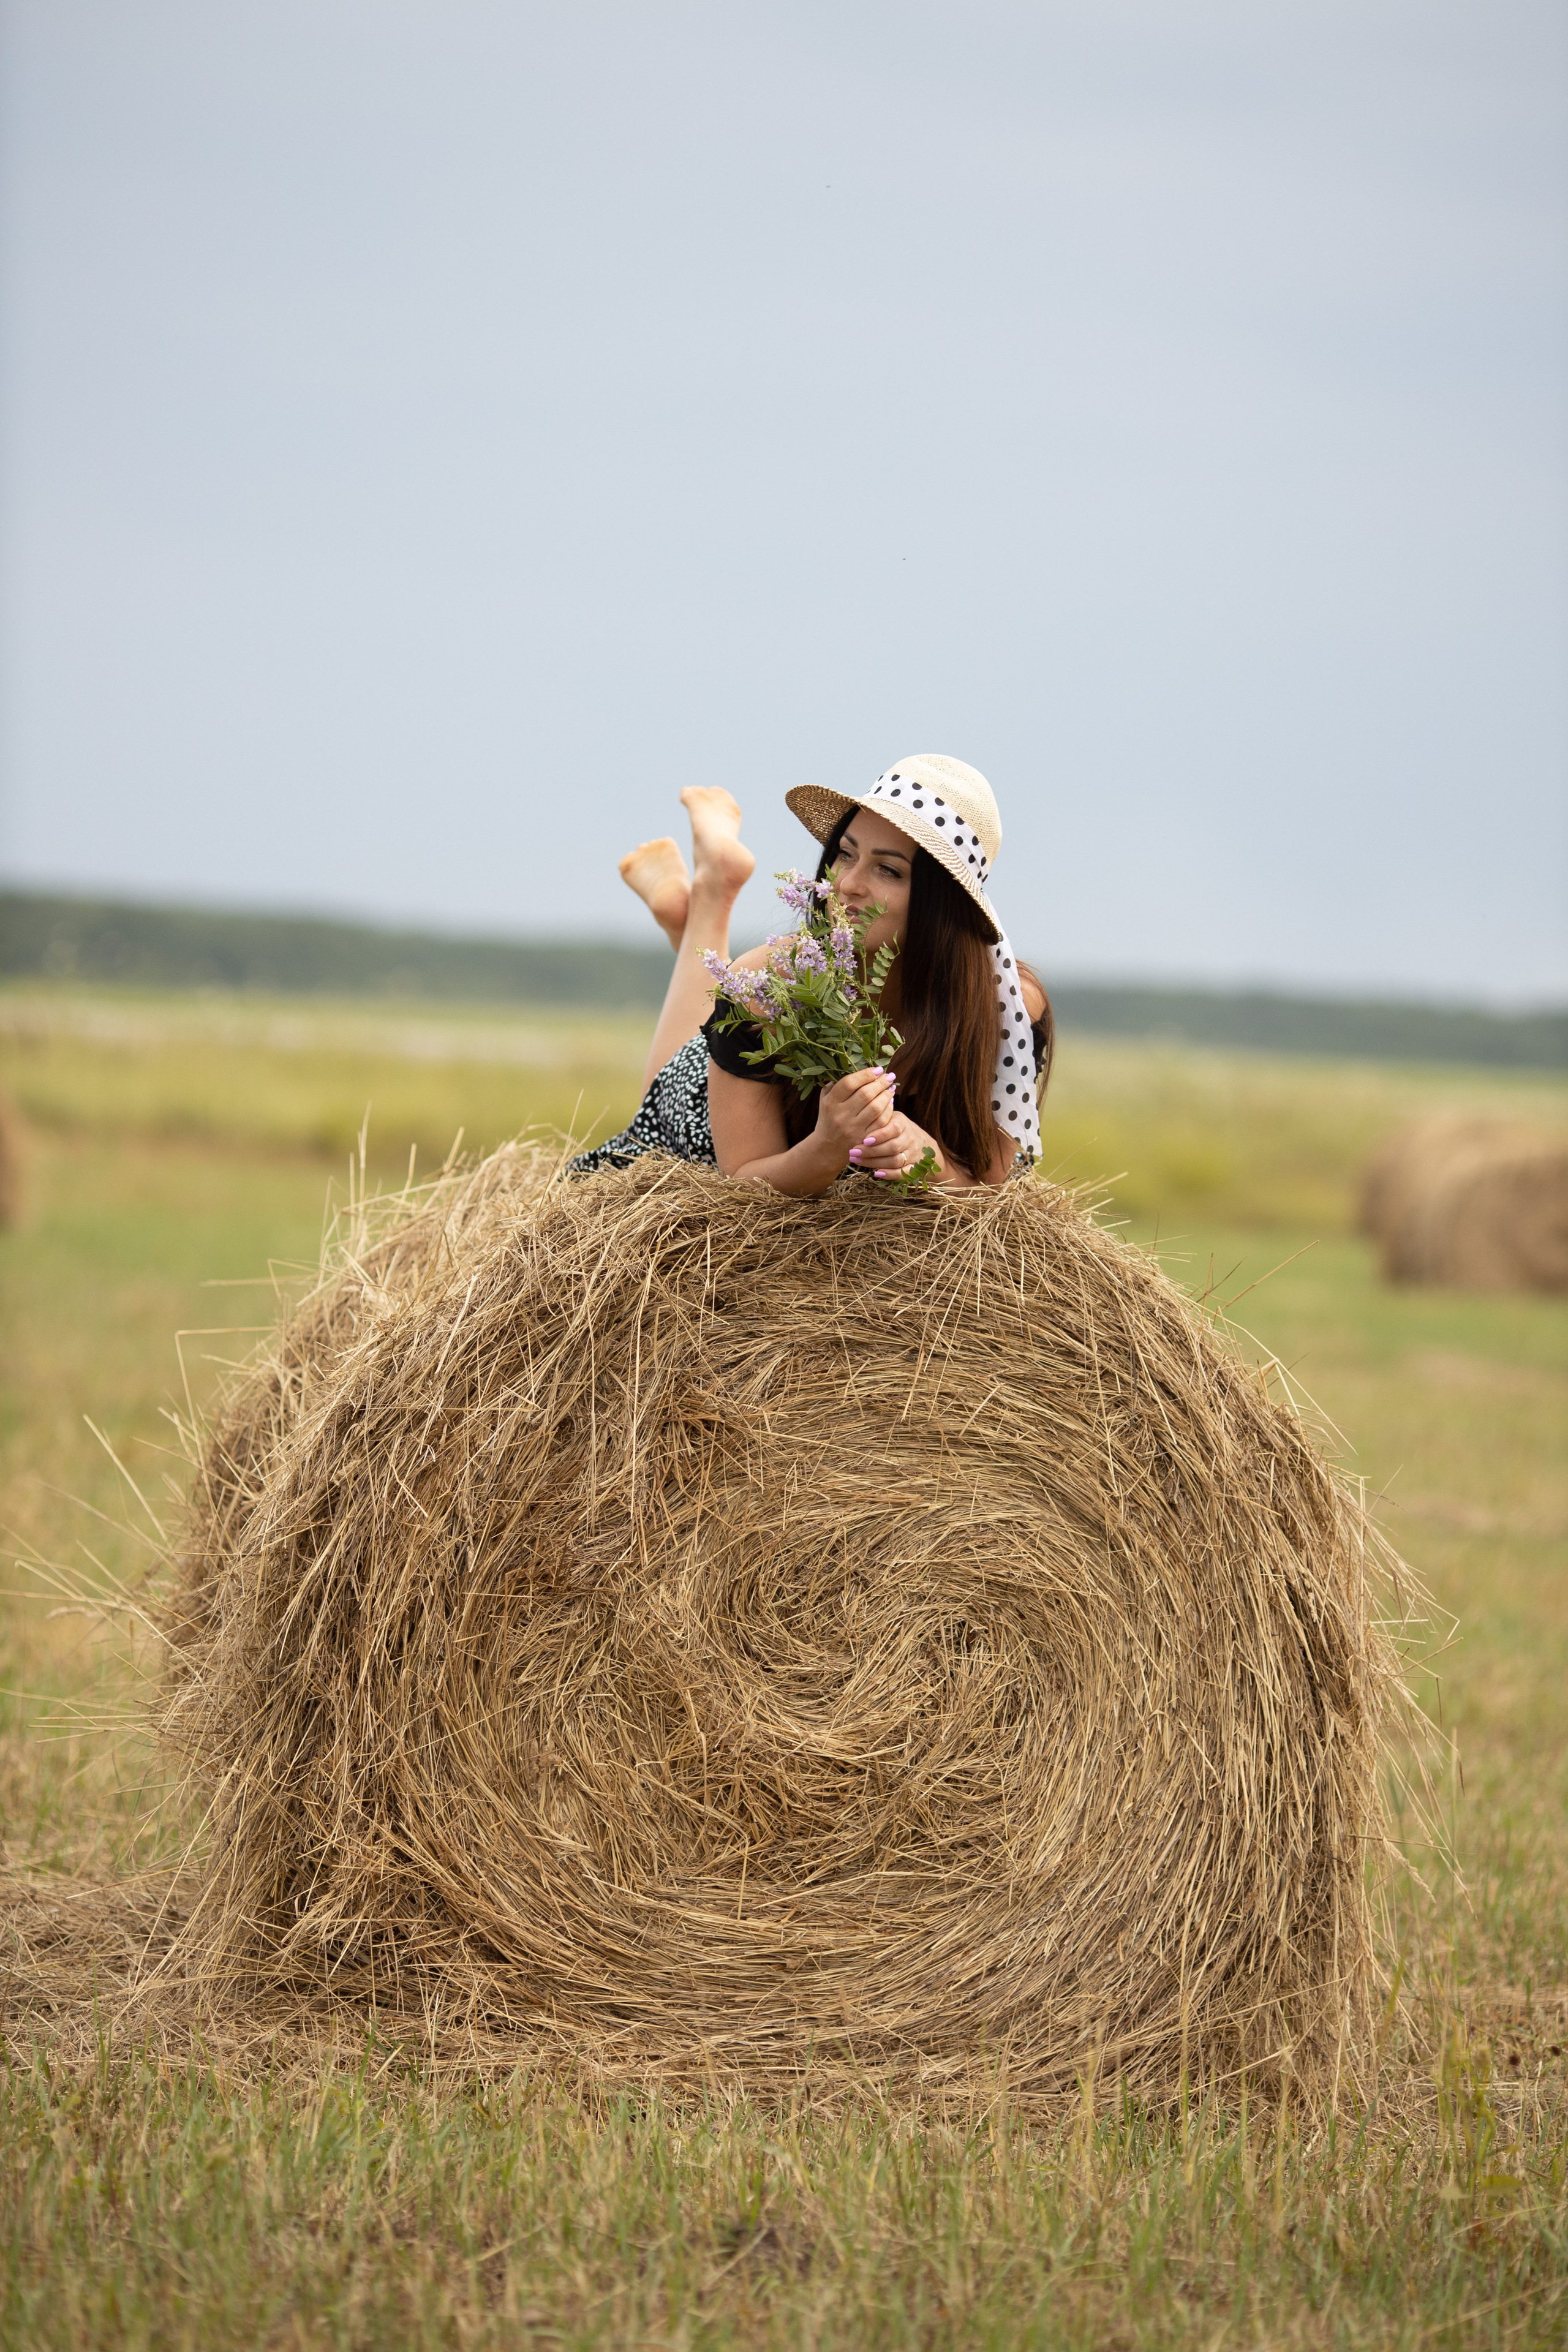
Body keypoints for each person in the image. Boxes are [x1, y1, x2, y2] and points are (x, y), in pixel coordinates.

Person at [570, 755, 1052, 1194]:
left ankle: (692, 915)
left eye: (888, 871)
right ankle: (711, 898)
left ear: (943, 907)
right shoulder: (767, 982)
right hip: (708, 1107)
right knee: (678, 1073)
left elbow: (993, 1188)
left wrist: (928, 1163)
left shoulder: (1007, 1009)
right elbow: (743, 1183)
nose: (846, 884)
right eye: (846, 854)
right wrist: (826, 1147)